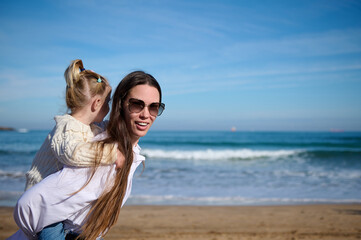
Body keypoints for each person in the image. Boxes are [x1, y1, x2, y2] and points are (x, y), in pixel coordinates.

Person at [8, 71, 165, 240]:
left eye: (154, 107)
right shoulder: (102, 149)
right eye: (137, 104)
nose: (146, 114)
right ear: (120, 104)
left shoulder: (126, 150)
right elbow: (34, 202)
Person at [22, 59, 124, 239]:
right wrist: (111, 154)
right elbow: (73, 153)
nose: (109, 108)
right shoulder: (66, 126)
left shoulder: (91, 126)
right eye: (108, 102)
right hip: (45, 205)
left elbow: (109, 127)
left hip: (62, 203)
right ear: (96, 103)